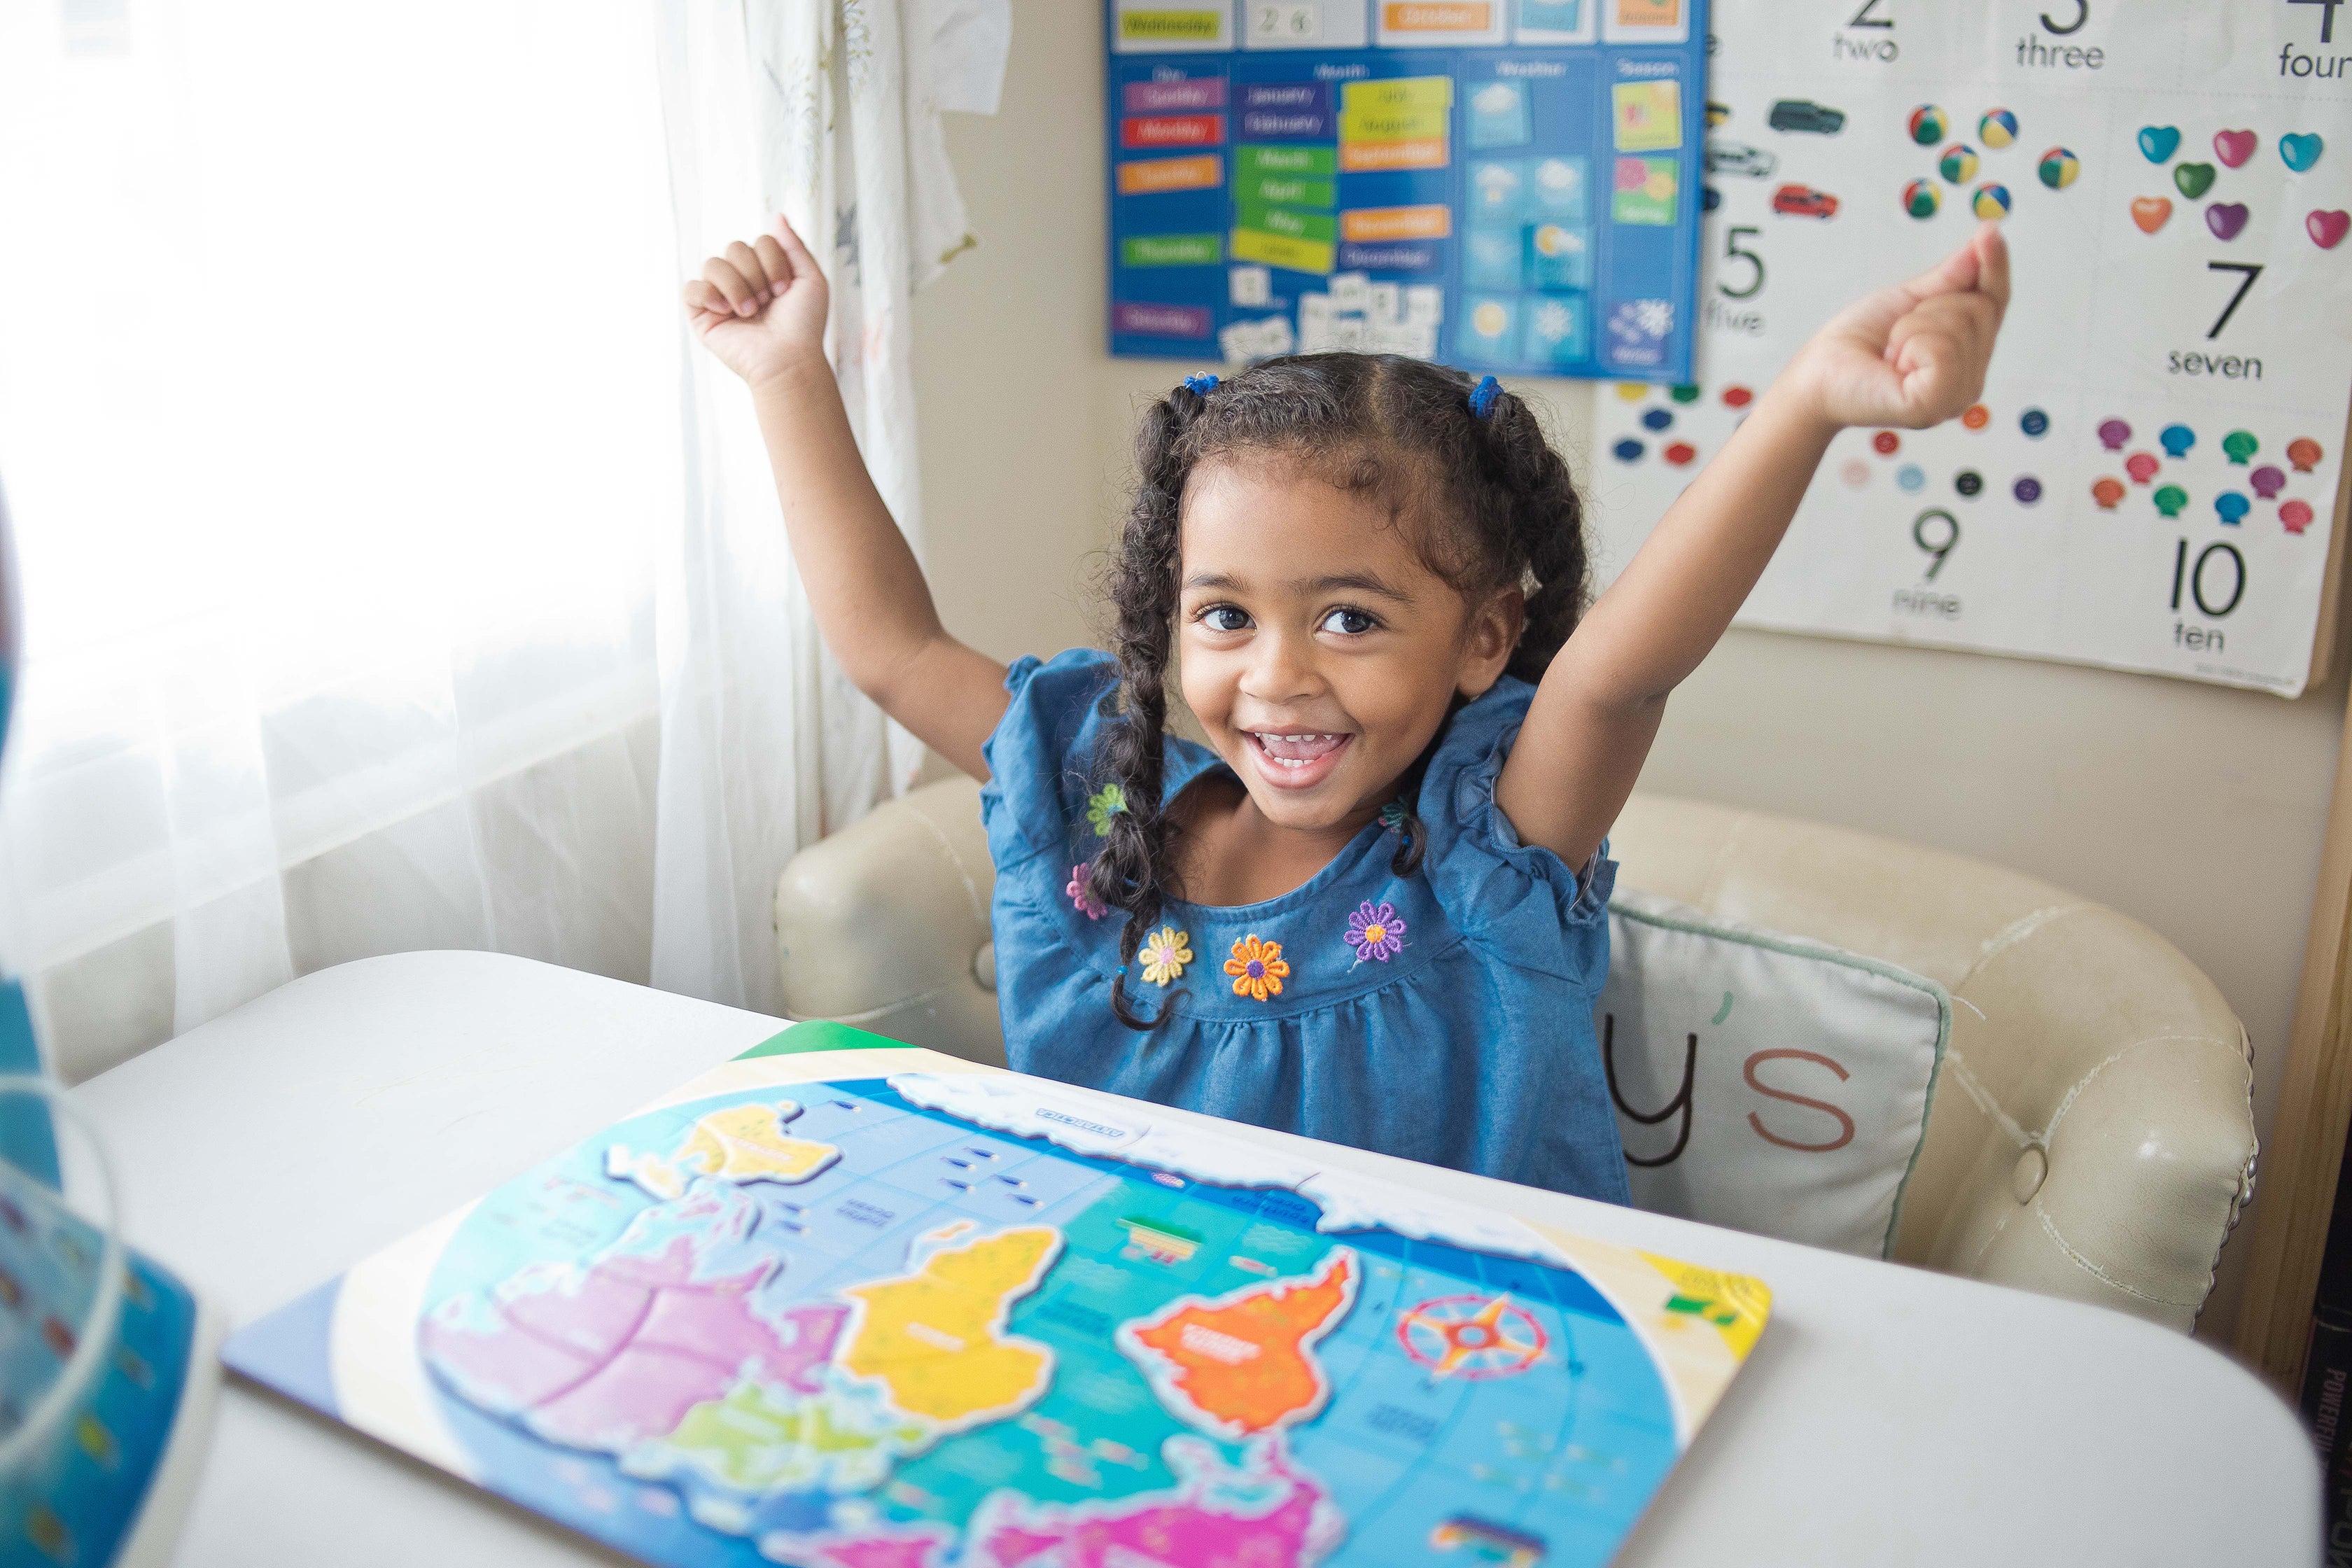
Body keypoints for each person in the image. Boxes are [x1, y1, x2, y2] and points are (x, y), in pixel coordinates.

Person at [684, 216, 2008, 1204]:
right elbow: (892, 647)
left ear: (1483, 639)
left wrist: (1807, 407)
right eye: (1225, 615)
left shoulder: (1495, 842)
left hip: (1451, 1367)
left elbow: (1623, 669)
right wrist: (786, 376)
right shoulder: (1103, 795)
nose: (1277, 676)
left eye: (1351, 618)